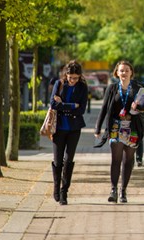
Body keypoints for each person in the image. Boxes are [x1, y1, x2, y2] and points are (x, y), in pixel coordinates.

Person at [94, 60, 144, 203]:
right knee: (116, 158)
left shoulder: (138, 87)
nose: (123, 73)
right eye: (121, 71)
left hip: (132, 127)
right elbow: (104, 108)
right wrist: (98, 127)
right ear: (116, 73)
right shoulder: (112, 88)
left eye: (126, 70)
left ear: (131, 72)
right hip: (116, 127)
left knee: (128, 160)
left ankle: (123, 191)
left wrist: (137, 106)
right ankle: (113, 189)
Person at [50, 60, 88, 206]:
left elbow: (82, 109)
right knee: (58, 160)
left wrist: (63, 105)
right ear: (66, 75)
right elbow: (53, 104)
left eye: (75, 78)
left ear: (79, 77)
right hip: (59, 128)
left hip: (74, 128)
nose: (72, 80)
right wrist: (71, 105)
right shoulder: (59, 84)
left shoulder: (82, 87)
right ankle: (56, 187)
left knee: (69, 160)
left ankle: (64, 192)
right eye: (70, 77)